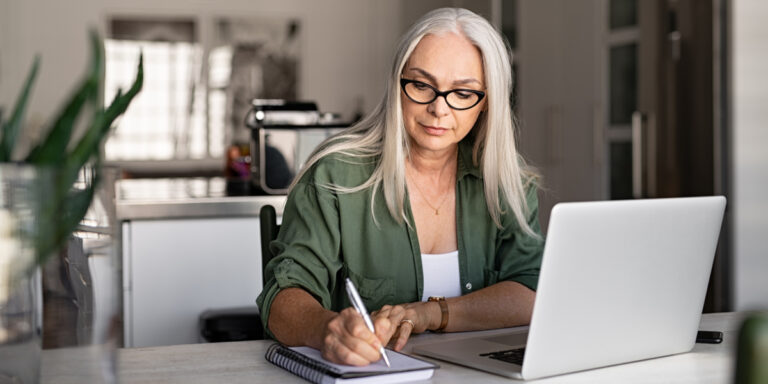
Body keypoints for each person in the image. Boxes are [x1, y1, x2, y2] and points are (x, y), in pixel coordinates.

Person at [256, 7, 544, 366]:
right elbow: (282, 298)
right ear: (398, 84)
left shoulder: (507, 180)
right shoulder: (334, 174)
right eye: (422, 85)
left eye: (463, 92)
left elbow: (530, 292)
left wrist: (429, 313)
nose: (439, 109)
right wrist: (325, 329)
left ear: (486, 103)